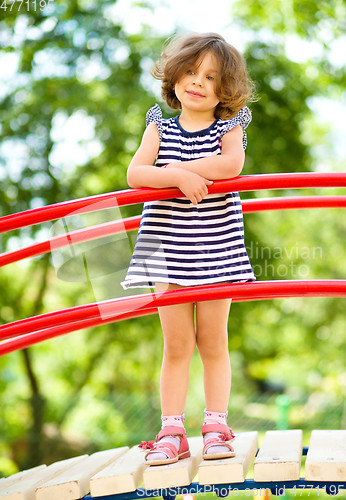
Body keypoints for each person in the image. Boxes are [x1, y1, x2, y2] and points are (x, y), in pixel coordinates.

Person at [121, 32, 256, 465]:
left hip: (216, 245)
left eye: (211, 77)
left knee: (213, 340)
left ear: (226, 90)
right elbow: (136, 174)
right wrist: (178, 176)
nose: (198, 82)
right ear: (175, 76)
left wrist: (177, 170)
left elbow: (230, 165)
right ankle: (171, 431)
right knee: (177, 344)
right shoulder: (159, 125)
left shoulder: (228, 126)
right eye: (191, 72)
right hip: (165, 247)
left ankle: (216, 426)